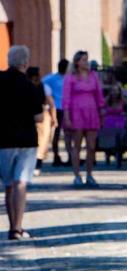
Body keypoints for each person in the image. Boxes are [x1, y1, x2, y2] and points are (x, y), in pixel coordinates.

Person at [0, 46, 44, 240]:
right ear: (25, 63)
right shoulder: (30, 86)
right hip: (26, 140)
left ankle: (11, 226)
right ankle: (17, 227)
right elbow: (39, 117)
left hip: (3, 139)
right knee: (20, 183)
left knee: (8, 184)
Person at [63, 50, 105, 188]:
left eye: (87, 59)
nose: (86, 62)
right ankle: (77, 175)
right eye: (83, 60)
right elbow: (66, 98)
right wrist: (67, 116)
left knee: (91, 146)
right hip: (77, 112)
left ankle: (90, 174)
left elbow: (99, 95)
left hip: (91, 112)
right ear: (77, 62)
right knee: (77, 146)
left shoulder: (93, 76)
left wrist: (102, 111)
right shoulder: (71, 77)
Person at [27, 67, 56, 176]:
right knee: (41, 141)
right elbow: (51, 104)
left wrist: (54, 117)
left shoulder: (41, 87)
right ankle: (36, 165)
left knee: (40, 141)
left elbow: (51, 104)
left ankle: (35, 164)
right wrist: (54, 117)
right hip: (40, 113)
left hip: (36, 114)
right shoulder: (43, 87)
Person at [42, 58, 68, 166]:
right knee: (59, 134)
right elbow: (42, 84)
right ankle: (58, 156)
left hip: (62, 108)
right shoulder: (55, 78)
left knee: (63, 134)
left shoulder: (61, 78)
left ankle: (64, 156)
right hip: (58, 107)